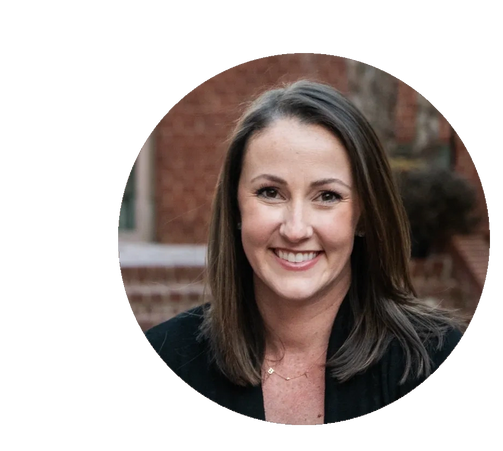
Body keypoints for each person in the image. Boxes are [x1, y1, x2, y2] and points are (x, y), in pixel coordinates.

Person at [144, 80, 464, 427]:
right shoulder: (166, 355)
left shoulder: (434, 359)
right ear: (236, 208)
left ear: (364, 215)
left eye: (327, 196)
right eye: (270, 192)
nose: (296, 229)